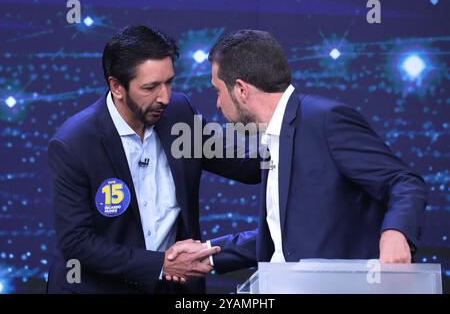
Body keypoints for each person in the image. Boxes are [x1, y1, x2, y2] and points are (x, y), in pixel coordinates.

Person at [168, 29, 428, 278]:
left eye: (218, 91)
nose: (217, 103)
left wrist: (396, 232)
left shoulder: (326, 121)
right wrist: (210, 252)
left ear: (241, 90)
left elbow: (404, 182)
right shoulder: (273, 139)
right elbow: (285, 238)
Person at [46, 25, 260, 294]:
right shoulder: (73, 144)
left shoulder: (179, 114)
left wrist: (296, 137)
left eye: (169, 82)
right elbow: (77, 242)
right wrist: (161, 265)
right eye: (150, 87)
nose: (165, 97)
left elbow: (246, 164)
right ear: (116, 87)